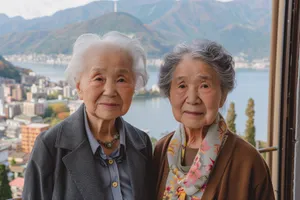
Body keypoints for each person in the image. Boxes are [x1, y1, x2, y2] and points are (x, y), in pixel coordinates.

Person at [23, 31, 153, 200]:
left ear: (134, 86)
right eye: (99, 78)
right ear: (79, 87)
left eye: (121, 79)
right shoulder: (50, 147)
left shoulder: (141, 143)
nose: (110, 91)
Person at [153, 41, 275, 200]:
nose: (192, 99)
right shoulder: (161, 151)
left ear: (223, 95)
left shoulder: (247, 161)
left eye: (204, 86)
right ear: (169, 94)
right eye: (182, 86)